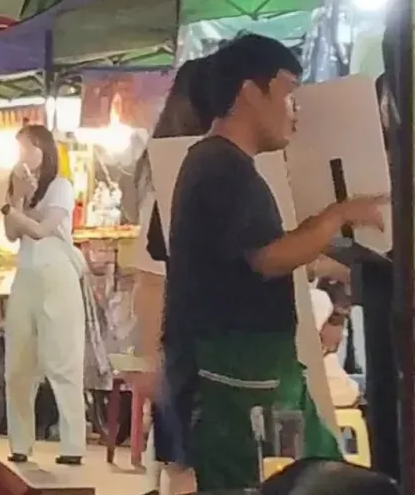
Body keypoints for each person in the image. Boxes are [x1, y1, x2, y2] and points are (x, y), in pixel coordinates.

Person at [163, 34, 387, 491]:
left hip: (257, 374)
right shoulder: (220, 166)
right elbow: (270, 257)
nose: (296, 110)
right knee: (291, 481)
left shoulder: (223, 165)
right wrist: (337, 215)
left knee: (315, 477)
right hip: (237, 380)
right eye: (288, 93)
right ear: (250, 92)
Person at [127, 56, 212, 494]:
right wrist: (150, 360)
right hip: (188, 355)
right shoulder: (173, 180)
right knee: (186, 471)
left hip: (194, 353)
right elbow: (151, 278)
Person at [2, 124, 87, 465]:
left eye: (28, 148)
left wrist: (10, 208)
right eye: (19, 148)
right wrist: (17, 198)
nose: (23, 155)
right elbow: (11, 234)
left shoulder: (61, 186)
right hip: (25, 274)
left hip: (57, 274)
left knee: (62, 360)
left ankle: (73, 445)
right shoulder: (19, 189)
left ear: (45, 150)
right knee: (18, 363)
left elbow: (40, 230)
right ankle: (20, 442)